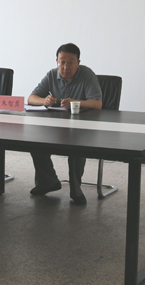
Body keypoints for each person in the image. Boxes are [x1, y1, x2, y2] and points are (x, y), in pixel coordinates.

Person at [27, 43, 102, 206]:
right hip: (57, 126)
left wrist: (76, 102)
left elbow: (97, 104)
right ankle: (48, 182)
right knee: (35, 142)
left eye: (70, 62)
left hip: (82, 127)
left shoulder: (87, 75)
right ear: (57, 61)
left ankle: (76, 189)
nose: (65, 67)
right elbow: (31, 98)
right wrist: (44, 101)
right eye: (62, 62)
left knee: (76, 147)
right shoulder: (51, 75)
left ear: (78, 62)